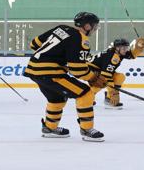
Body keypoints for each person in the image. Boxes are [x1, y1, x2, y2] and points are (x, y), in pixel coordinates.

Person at [27, 12, 106, 141]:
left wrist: (56, 57)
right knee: (85, 93)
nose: (95, 29)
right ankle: (86, 129)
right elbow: (77, 69)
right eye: (94, 26)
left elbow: (34, 44)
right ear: (87, 26)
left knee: (56, 98)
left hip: (33, 69)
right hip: (50, 73)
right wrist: (93, 78)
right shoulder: (81, 39)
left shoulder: (61, 28)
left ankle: (50, 128)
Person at [90, 36, 144, 110]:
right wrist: (114, 93)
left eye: (127, 48)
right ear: (117, 48)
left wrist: (138, 48)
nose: (126, 50)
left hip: (100, 70)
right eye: (124, 48)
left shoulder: (119, 52)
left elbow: (132, 55)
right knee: (100, 83)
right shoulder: (113, 57)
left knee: (119, 77)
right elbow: (106, 76)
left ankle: (108, 97)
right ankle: (88, 98)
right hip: (92, 70)